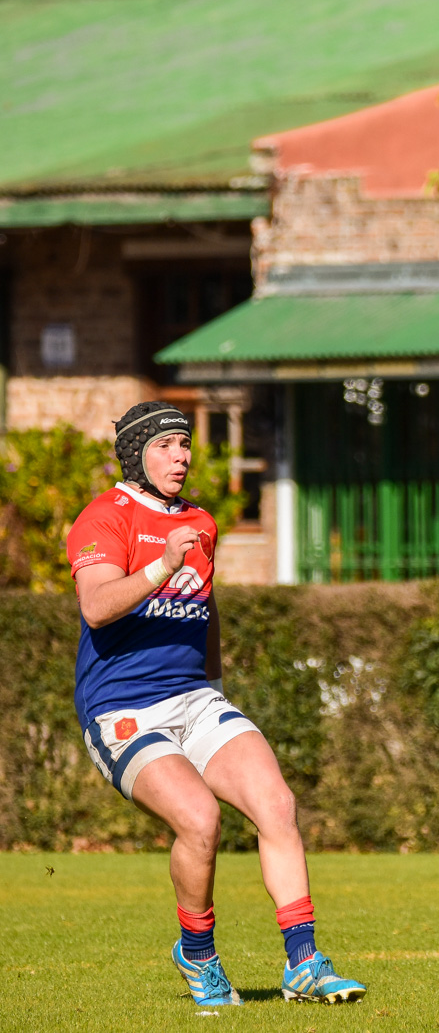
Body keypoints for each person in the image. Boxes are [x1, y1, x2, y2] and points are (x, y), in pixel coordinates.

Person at [66, 402, 365, 1008]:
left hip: (195, 698)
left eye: (184, 444)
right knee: (200, 821)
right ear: (135, 455)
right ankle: (198, 955)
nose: (181, 456)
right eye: (165, 445)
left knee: (276, 804)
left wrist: (216, 686)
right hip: (122, 708)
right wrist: (163, 563)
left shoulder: (200, 521)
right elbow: (96, 607)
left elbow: (206, 607)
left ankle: (304, 963)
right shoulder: (103, 517)